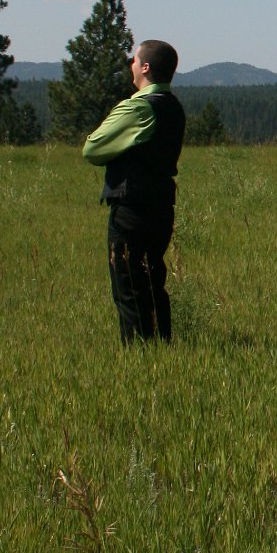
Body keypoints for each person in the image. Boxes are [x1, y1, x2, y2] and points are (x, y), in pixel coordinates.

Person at [83, 39, 187, 344]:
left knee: (128, 286)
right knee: (153, 281)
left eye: (134, 60)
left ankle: (139, 354)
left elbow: (92, 149)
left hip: (131, 208)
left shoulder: (138, 107)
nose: (131, 64)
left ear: (145, 67)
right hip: (162, 205)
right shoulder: (174, 107)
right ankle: (162, 348)